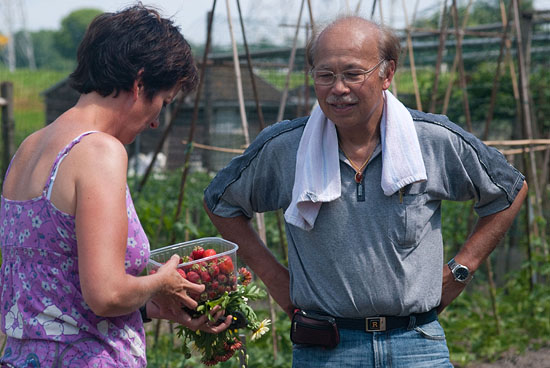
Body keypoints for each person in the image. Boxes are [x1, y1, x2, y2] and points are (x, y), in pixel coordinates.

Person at [203, 15, 528, 367]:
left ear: (387, 74)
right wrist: (274, 279)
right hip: (326, 348)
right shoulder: (287, 148)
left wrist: (462, 268)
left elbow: (508, 190)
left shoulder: (429, 140)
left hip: (416, 343)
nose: (337, 88)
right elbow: (220, 202)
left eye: (352, 74)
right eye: (325, 75)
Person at [0, 4, 231, 367]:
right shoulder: (98, 151)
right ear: (139, 85)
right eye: (163, 102)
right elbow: (105, 294)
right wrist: (161, 282)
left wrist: (152, 307)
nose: (157, 122)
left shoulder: (29, 148)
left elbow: (57, 293)